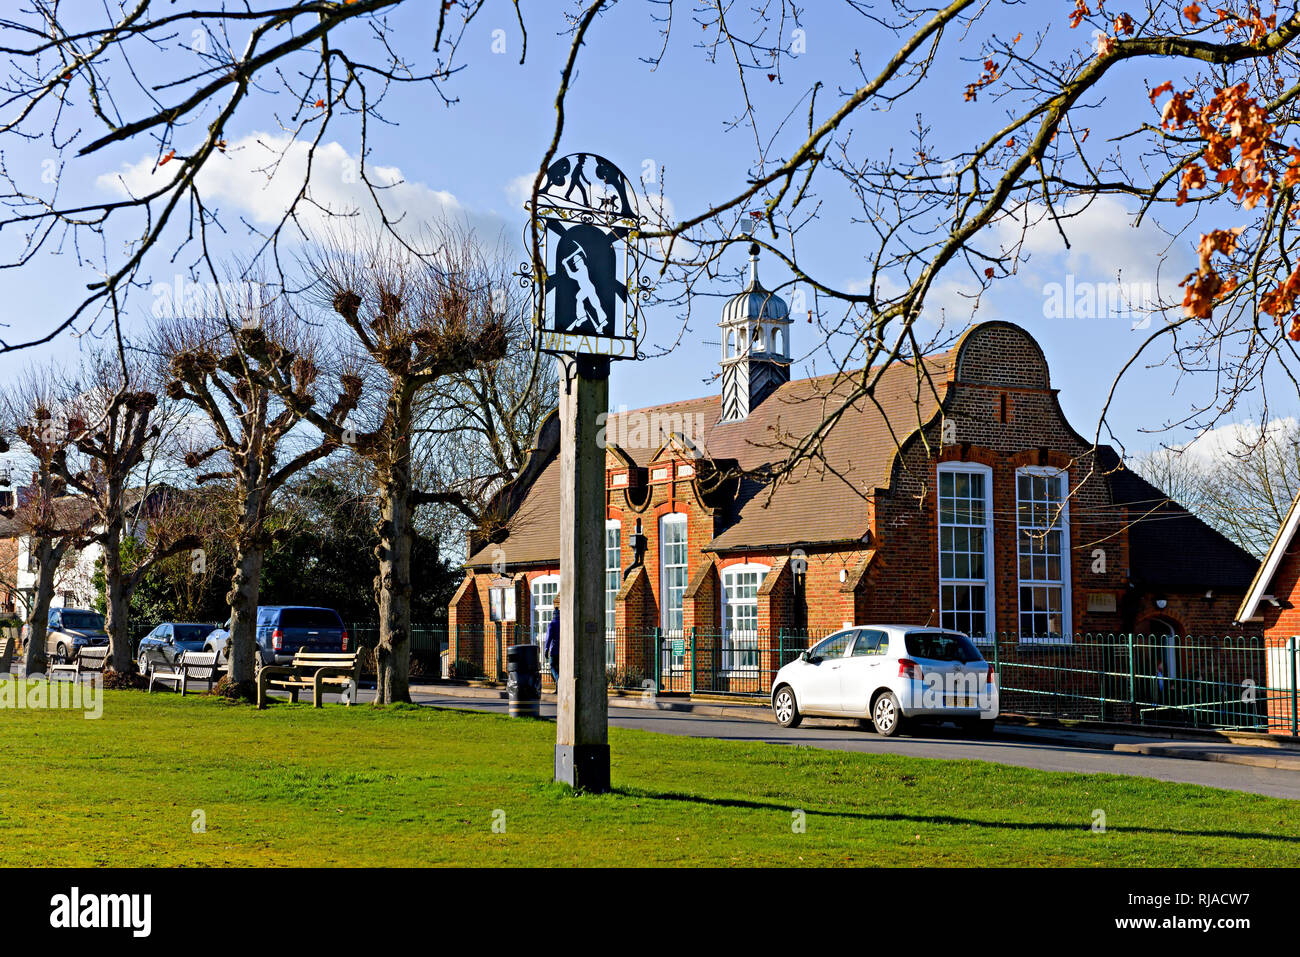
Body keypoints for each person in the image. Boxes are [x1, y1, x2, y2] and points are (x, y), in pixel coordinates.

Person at [544, 609, 560, 682]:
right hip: (561, 651)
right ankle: (558, 688)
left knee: (552, 667)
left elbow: (548, 638)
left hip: (554, 650)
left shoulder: (552, 624)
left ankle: (558, 681)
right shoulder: (563, 623)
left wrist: (546, 649)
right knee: (559, 669)